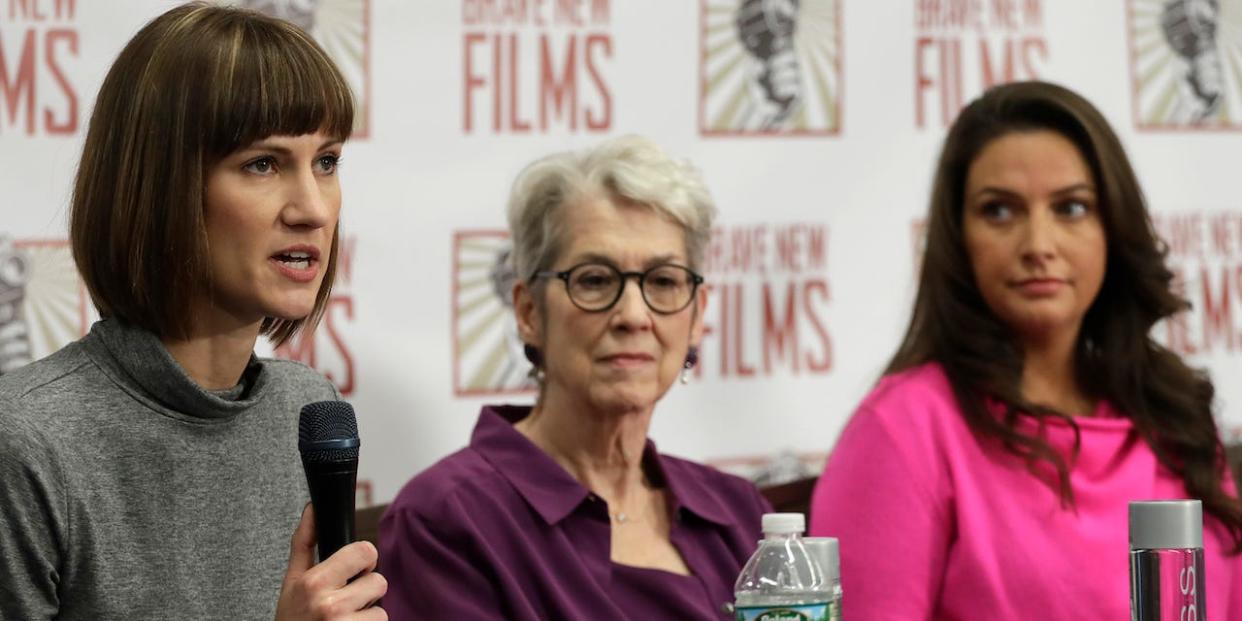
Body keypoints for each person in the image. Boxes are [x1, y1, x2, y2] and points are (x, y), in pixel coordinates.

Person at [0, 4, 386, 619]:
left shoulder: (307, 409)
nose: (313, 208)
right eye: (263, 164)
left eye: (327, 162)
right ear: (158, 185)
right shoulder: (25, 439)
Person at [809, 80, 1242, 619]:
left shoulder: (1173, 407)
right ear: (957, 237)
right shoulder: (903, 428)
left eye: (1072, 208)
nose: (1039, 245)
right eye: (999, 211)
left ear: (1114, 225)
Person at [379, 135, 770, 620]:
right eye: (595, 280)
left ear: (695, 316)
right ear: (528, 312)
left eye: (664, 282)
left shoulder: (740, 513)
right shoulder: (447, 521)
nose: (633, 315)